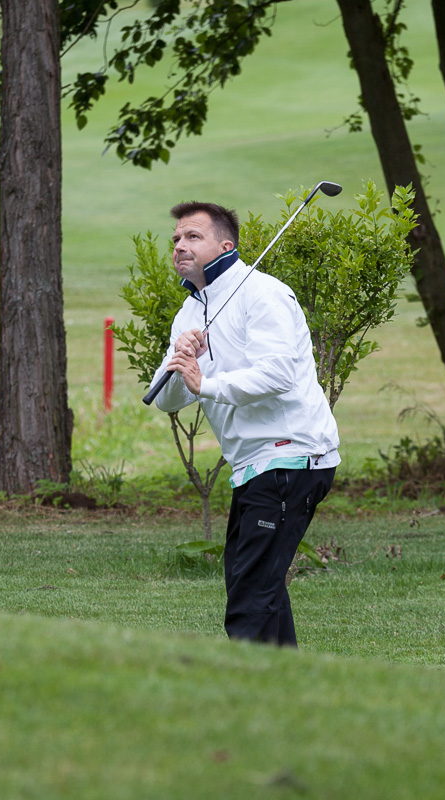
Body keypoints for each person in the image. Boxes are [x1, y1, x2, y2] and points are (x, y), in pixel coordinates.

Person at [149, 201, 339, 647]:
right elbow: (166, 399)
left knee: (251, 596)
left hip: (292, 456)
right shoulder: (189, 313)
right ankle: (283, 683)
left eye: (193, 236)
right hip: (253, 466)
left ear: (225, 246)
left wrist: (206, 384)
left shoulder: (263, 293)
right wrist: (182, 360)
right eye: (176, 239)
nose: (180, 246)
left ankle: (245, 685)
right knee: (253, 585)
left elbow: (277, 375)